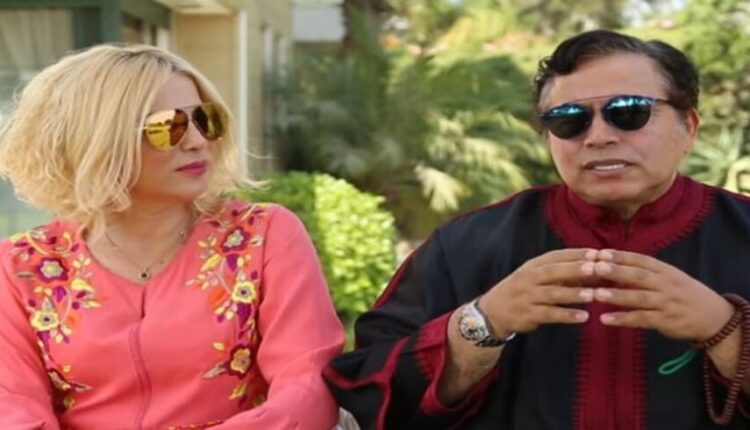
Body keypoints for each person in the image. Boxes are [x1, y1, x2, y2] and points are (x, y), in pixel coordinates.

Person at [324, 29, 750, 429]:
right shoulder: (467, 245)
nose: (598, 136)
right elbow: (370, 389)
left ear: (689, 127)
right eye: (569, 120)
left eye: (628, 112)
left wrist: (725, 330)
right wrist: (481, 324)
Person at [0, 44, 345, 429]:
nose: (198, 141)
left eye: (206, 120)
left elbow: (308, 390)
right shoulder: (21, 266)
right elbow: (12, 408)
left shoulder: (264, 236)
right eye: (167, 127)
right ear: (99, 141)